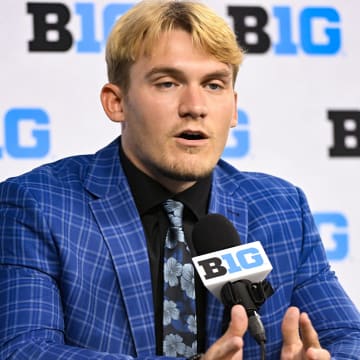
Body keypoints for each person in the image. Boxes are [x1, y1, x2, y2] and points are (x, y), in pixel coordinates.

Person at [0, 1, 359, 359]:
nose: (195, 106)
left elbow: (348, 337)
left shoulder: (280, 207)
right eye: (168, 83)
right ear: (116, 102)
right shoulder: (37, 204)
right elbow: (25, 349)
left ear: (233, 108)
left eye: (214, 85)